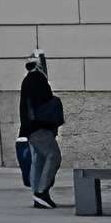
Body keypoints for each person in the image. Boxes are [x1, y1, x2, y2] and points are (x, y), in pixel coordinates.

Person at [18, 53, 65, 207]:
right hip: (39, 127)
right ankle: (41, 192)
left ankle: (38, 194)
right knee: (53, 156)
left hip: (31, 128)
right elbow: (43, 104)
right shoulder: (37, 78)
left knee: (39, 160)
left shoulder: (28, 79)